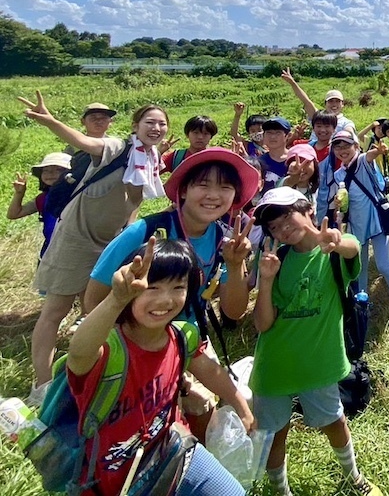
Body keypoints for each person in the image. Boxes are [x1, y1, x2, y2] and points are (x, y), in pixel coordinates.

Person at [83, 147, 258, 439]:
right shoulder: (145, 233)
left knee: (204, 408)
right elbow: (93, 297)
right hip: (137, 344)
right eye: (203, 184)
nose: (214, 195)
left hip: (189, 340)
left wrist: (235, 264)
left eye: (225, 187)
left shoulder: (224, 241)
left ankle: (191, 464)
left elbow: (234, 311)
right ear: (184, 191)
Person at [68, 238, 252, 496]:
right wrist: (115, 300)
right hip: (112, 479)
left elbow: (210, 370)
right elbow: (78, 355)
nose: (166, 300)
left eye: (178, 287)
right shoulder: (109, 348)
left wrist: (241, 406)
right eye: (152, 288)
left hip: (174, 452)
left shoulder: (181, 336)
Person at [20, 91, 169, 403]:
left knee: (100, 311)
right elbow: (87, 143)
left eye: (161, 124)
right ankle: (42, 386)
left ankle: (94, 373)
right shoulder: (118, 146)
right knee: (56, 311)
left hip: (109, 242)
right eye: (149, 122)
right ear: (135, 125)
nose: (156, 128)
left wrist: (127, 233)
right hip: (76, 238)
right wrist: (51, 122)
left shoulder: (150, 158)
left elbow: (134, 200)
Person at [251, 188, 384, 496]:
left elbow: (352, 248)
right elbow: (263, 323)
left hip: (320, 363)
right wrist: (267, 280)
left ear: (309, 209)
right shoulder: (276, 259)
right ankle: (280, 490)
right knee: (275, 434)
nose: (282, 229)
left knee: (334, 421)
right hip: (275, 364)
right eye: (273, 227)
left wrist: (338, 240)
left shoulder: (332, 251)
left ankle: (354, 477)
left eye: (286, 217)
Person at [330, 130, 389, 311]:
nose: (343, 150)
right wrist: (338, 204)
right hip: (356, 224)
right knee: (361, 266)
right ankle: (363, 304)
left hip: (376, 220)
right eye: (338, 147)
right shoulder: (338, 175)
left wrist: (379, 150)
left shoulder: (361, 161)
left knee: (383, 265)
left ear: (356, 147)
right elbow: (345, 203)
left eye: (347, 146)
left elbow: (370, 155)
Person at [7, 152, 72, 259]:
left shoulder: (79, 196)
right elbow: (14, 214)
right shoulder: (43, 198)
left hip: (75, 255)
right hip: (49, 254)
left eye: (58, 169)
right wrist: (19, 193)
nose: (50, 173)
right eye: (46, 170)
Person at [280, 68, 355, 134]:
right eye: (331, 101)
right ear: (325, 104)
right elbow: (306, 100)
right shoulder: (318, 116)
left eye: (337, 101)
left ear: (342, 104)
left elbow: (349, 133)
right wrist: (293, 83)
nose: (334, 104)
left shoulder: (346, 122)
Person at [278, 143, 320, 209]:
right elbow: (289, 182)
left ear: (315, 164)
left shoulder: (315, 187)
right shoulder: (284, 183)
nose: (301, 168)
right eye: (295, 162)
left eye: (306, 162)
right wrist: (295, 175)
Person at [259, 117, 291, 194]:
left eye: (278, 133)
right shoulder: (259, 162)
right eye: (269, 133)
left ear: (288, 136)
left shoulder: (295, 160)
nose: (273, 137)